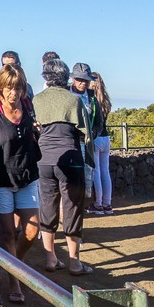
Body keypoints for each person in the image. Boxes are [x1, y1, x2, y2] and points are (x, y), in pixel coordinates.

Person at [0, 64, 41, 303]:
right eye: (10, 88)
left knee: (33, 231)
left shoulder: (26, 107)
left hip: (26, 176)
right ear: (1, 88)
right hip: (0, 179)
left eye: (19, 88)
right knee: (7, 234)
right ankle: (15, 283)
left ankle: (15, 265)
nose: (14, 93)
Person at [35, 57, 92, 274]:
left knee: (48, 207)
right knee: (73, 208)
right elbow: (86, 133)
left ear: (46, 77)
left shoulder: (37, 100)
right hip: (71, 159)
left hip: (44, 159)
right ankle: (74, 262)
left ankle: (50, 259)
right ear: (65, 76)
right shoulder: (73, 100)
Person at [71, 62, 99, 209]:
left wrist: (92, 134)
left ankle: (79, 207)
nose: (83, 83)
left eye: (86, 80)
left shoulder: (92, 97)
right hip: (69, 142)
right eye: (80, 79)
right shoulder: (66, 94)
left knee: (84, 177)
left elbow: (98, 121)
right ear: (73, 79)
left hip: (85, 143)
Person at [88, 72, 114, 214]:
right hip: (106, 138)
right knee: (105, 171)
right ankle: (107, 203)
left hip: (96, 137)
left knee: (96, 171)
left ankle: (98, 204)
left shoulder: (92, 99)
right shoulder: (105, 100)